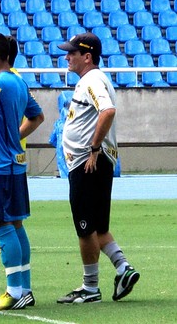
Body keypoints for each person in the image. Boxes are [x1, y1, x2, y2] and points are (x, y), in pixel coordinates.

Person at [57, 32, 140, 304]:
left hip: (88, 163)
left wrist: (92, 149)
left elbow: (107, 110)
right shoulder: (94, 79)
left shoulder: (91, 80)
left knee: (85, 227)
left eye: (72, 53)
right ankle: (123, 268)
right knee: (98, 226)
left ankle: (90, 287)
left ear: (87, 57)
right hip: (96, 161)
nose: (67, 57)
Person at [0, 33, 44, 310]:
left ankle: (14, 291)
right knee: (17, 225)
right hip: (16, 162)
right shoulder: (18, 82)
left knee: (2, 225)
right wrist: (14, 137)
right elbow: (37, 116)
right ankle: (25, 288)